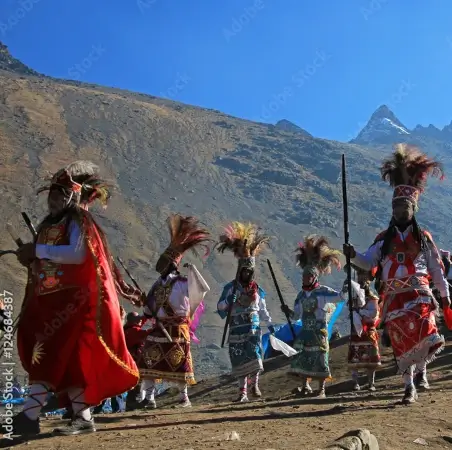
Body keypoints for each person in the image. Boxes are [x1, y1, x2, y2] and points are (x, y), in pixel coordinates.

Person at [12, 161, 141, 437]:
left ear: (71, 196)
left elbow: (78, 254)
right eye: (51, 195)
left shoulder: (78, 221)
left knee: (50, 355)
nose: (53, 200)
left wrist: (40, 250)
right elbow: (48, 261)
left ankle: (30, 415)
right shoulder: (50, 224)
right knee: (67, 361)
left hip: (72, 302)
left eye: (59, 195)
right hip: (49, 301)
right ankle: (81, 417)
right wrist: (32, 257)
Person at [343, 144, 450, 404]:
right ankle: (408, 386)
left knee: (424, 332)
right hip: (394, 297)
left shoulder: (423, 238)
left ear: (413, 209)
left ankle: (421, 372)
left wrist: (445, 295)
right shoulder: (383, 240)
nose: (400, 211)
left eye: (405, 207)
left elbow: (436, 268)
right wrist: (352, 254)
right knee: (402, 342)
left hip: (419, 293)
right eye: (396, 207)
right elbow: (369, 264)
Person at [138, 214, 211, 408]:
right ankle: (150, 398)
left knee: (179, 364)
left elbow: (201, 289)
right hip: (159, 327)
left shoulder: (182, 283)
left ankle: (184, 398)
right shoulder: (156, 285)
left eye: (164, 263)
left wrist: (192, 271)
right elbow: (149, 308)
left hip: (178, 329)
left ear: (171, 264)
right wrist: (145, 312)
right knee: (149, 362)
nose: (160, 267)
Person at [281, 235, 354, 398]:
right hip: (306, 332)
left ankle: (321, 389)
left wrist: (345, 289)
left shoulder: (323, 292)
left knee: (321, 358)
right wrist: (288, 312)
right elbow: (296, 316)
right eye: (304, 276)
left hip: (319, 331)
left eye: (308, 276)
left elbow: (340, 298)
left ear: (314, 276)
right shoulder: (300, 295)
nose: (305, 278)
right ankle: (305, 385)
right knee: (301, 356)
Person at [216, 222, 274, 402]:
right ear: (240, 271)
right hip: (236, 328)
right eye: (244, 271)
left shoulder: (258, 290)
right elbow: (220, 307)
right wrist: (228, 301)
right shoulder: (230, 288)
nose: (247, 274)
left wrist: (270, 324)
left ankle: (254, 384)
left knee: (255, 356)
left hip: (253, 327)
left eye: (250, 271)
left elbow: (262, 309)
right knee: (239, 360)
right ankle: (242, 393)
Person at [346, 264, 381, 391]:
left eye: (363, 280)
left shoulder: (373, 299)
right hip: (356, 330)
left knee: (370, 359)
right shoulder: (353, 298)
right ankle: (355, 382)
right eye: (359, 280)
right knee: (355, 358)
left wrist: (360, 312)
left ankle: (371, 383)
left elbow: (373, 314)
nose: (361, 282)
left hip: (369, 331)